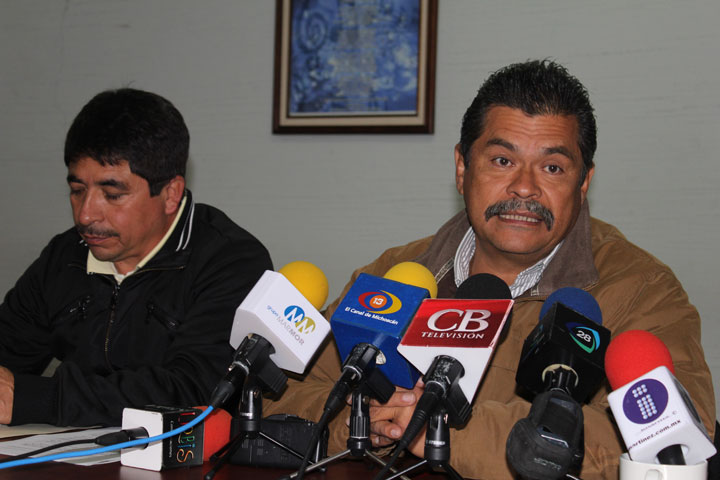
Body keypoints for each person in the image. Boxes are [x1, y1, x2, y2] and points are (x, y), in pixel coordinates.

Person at [263, 60, 716, 479]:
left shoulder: (640, 289)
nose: (524, 187)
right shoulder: (399, 273)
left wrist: (443, 430)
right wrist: (366, 421)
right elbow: (281, 392)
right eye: (502, 161)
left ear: (583, 184)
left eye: (552, 167)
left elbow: (674, 441)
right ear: (462, 168)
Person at [0, 88, 272, 427]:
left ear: (170, 194)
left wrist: (37, 399)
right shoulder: (66, 255)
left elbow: (194, 391)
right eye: (77, 190)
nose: (85, 215)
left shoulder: (232, 261)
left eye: (112, 195)